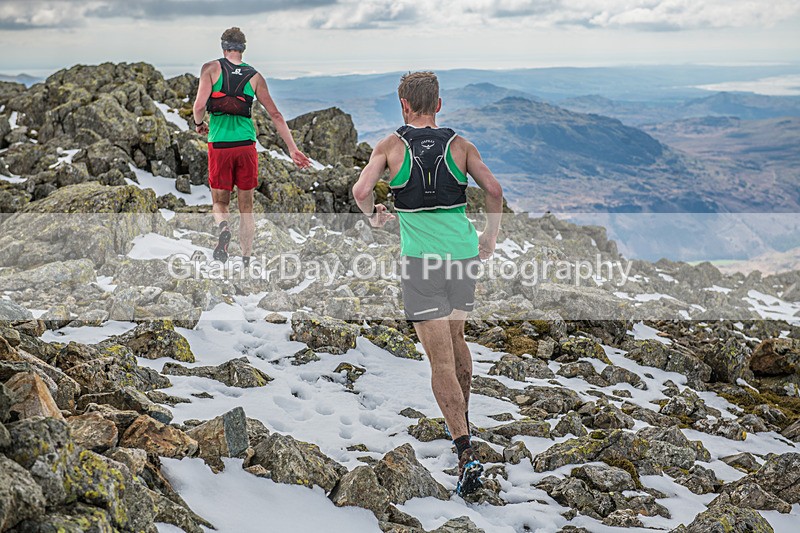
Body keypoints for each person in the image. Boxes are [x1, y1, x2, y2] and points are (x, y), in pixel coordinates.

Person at [352, 71, 504, 496]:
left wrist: (376, 217)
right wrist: (489, 237)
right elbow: (493, 189)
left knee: (440, 361)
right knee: (457, 341)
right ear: (439, 104)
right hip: (462, 256)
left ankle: (464, 451)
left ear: (404, 105)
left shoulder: (390, 147)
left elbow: (361, 189)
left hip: (422, 264)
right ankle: (465, 427)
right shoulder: (460, 145)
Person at [192, 27, 310, 265]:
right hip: (246, 147)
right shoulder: (255, 77)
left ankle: (224, 228)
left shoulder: (211, 69)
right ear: (243, 49)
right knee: (247, 208)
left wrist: (199, 125)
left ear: (223, 47)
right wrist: (292, 149)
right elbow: (275, 114)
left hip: (220, 146)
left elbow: (198, 106)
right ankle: (246, 258)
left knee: (220, 201)